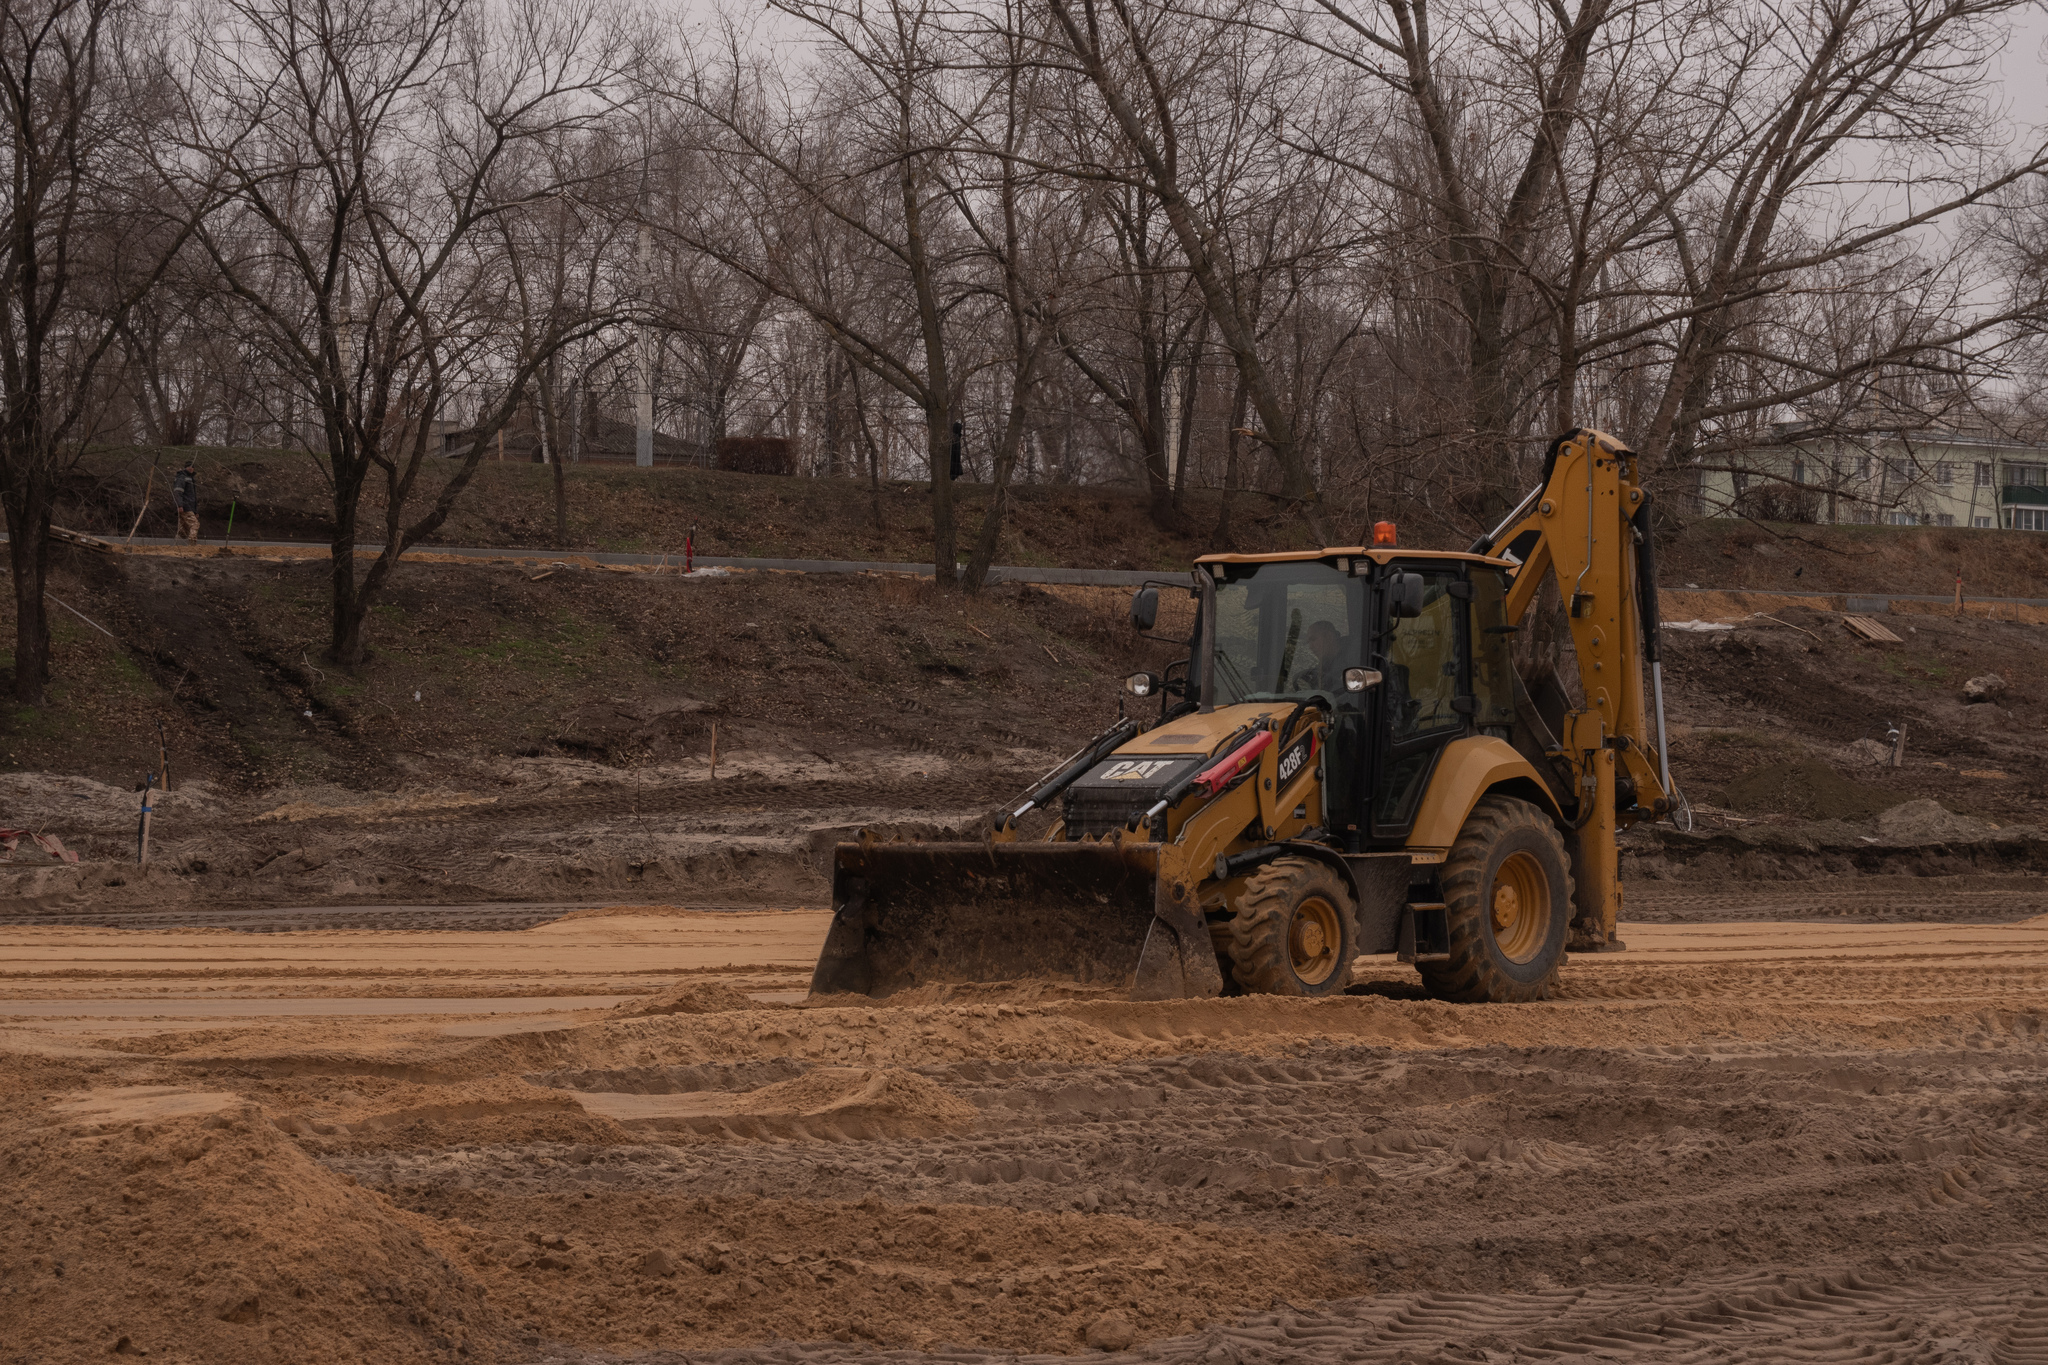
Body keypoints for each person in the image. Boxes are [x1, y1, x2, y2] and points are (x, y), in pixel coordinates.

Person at [1296, 619, 1349, 692]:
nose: (1311, 647)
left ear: (1329, 636)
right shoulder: (1325, 663)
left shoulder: (1351, 660)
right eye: (1309, 642)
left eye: (1313, 639)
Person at [171, 460, 199, 542]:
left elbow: (193, 496)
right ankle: (192, 544)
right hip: (185, 506)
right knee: (195, 525)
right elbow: (178, 492)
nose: (191, 468)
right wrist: (180, 505)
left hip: (189, 506)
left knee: (183, 529)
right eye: (189, 466)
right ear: (185, 467)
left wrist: (195, 511)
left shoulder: (190, 479)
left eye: (192, 467)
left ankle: (177, 544)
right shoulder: (182, 477)